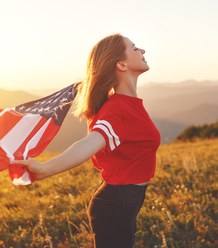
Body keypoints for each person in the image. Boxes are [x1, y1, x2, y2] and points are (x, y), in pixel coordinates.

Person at [13, 33, 161, 247]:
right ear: (121, 64)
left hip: (127, 200)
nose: (143, 51)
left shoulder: (128, 103)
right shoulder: (118, 109)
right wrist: (45, 169)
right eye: (135, 48)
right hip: (116, 203)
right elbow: (89, 143)